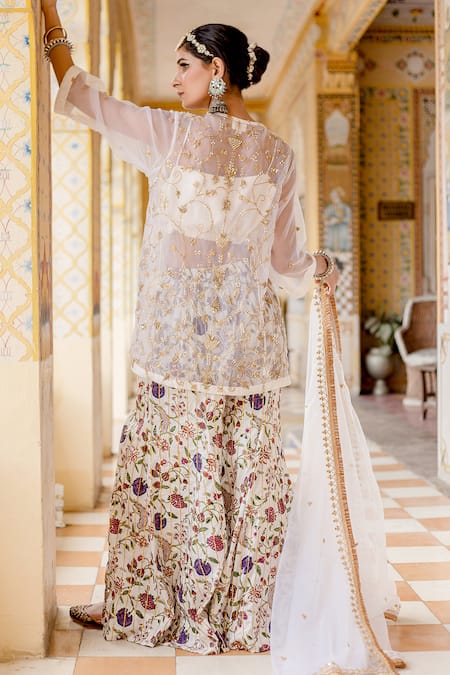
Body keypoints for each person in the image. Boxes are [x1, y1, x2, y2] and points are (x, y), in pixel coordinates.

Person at [40, 0, 339, 656]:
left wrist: (51, 23)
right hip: (247, 353)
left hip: (176, 348)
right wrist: (324, 266)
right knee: (240, 477)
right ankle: (238, 610)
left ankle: (150, 601)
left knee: (169, 475)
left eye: (184, 66)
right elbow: (287, 264)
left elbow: (86, 100)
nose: (174, 80)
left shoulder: (172, 135)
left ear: (218, 70)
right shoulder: (279, 156)